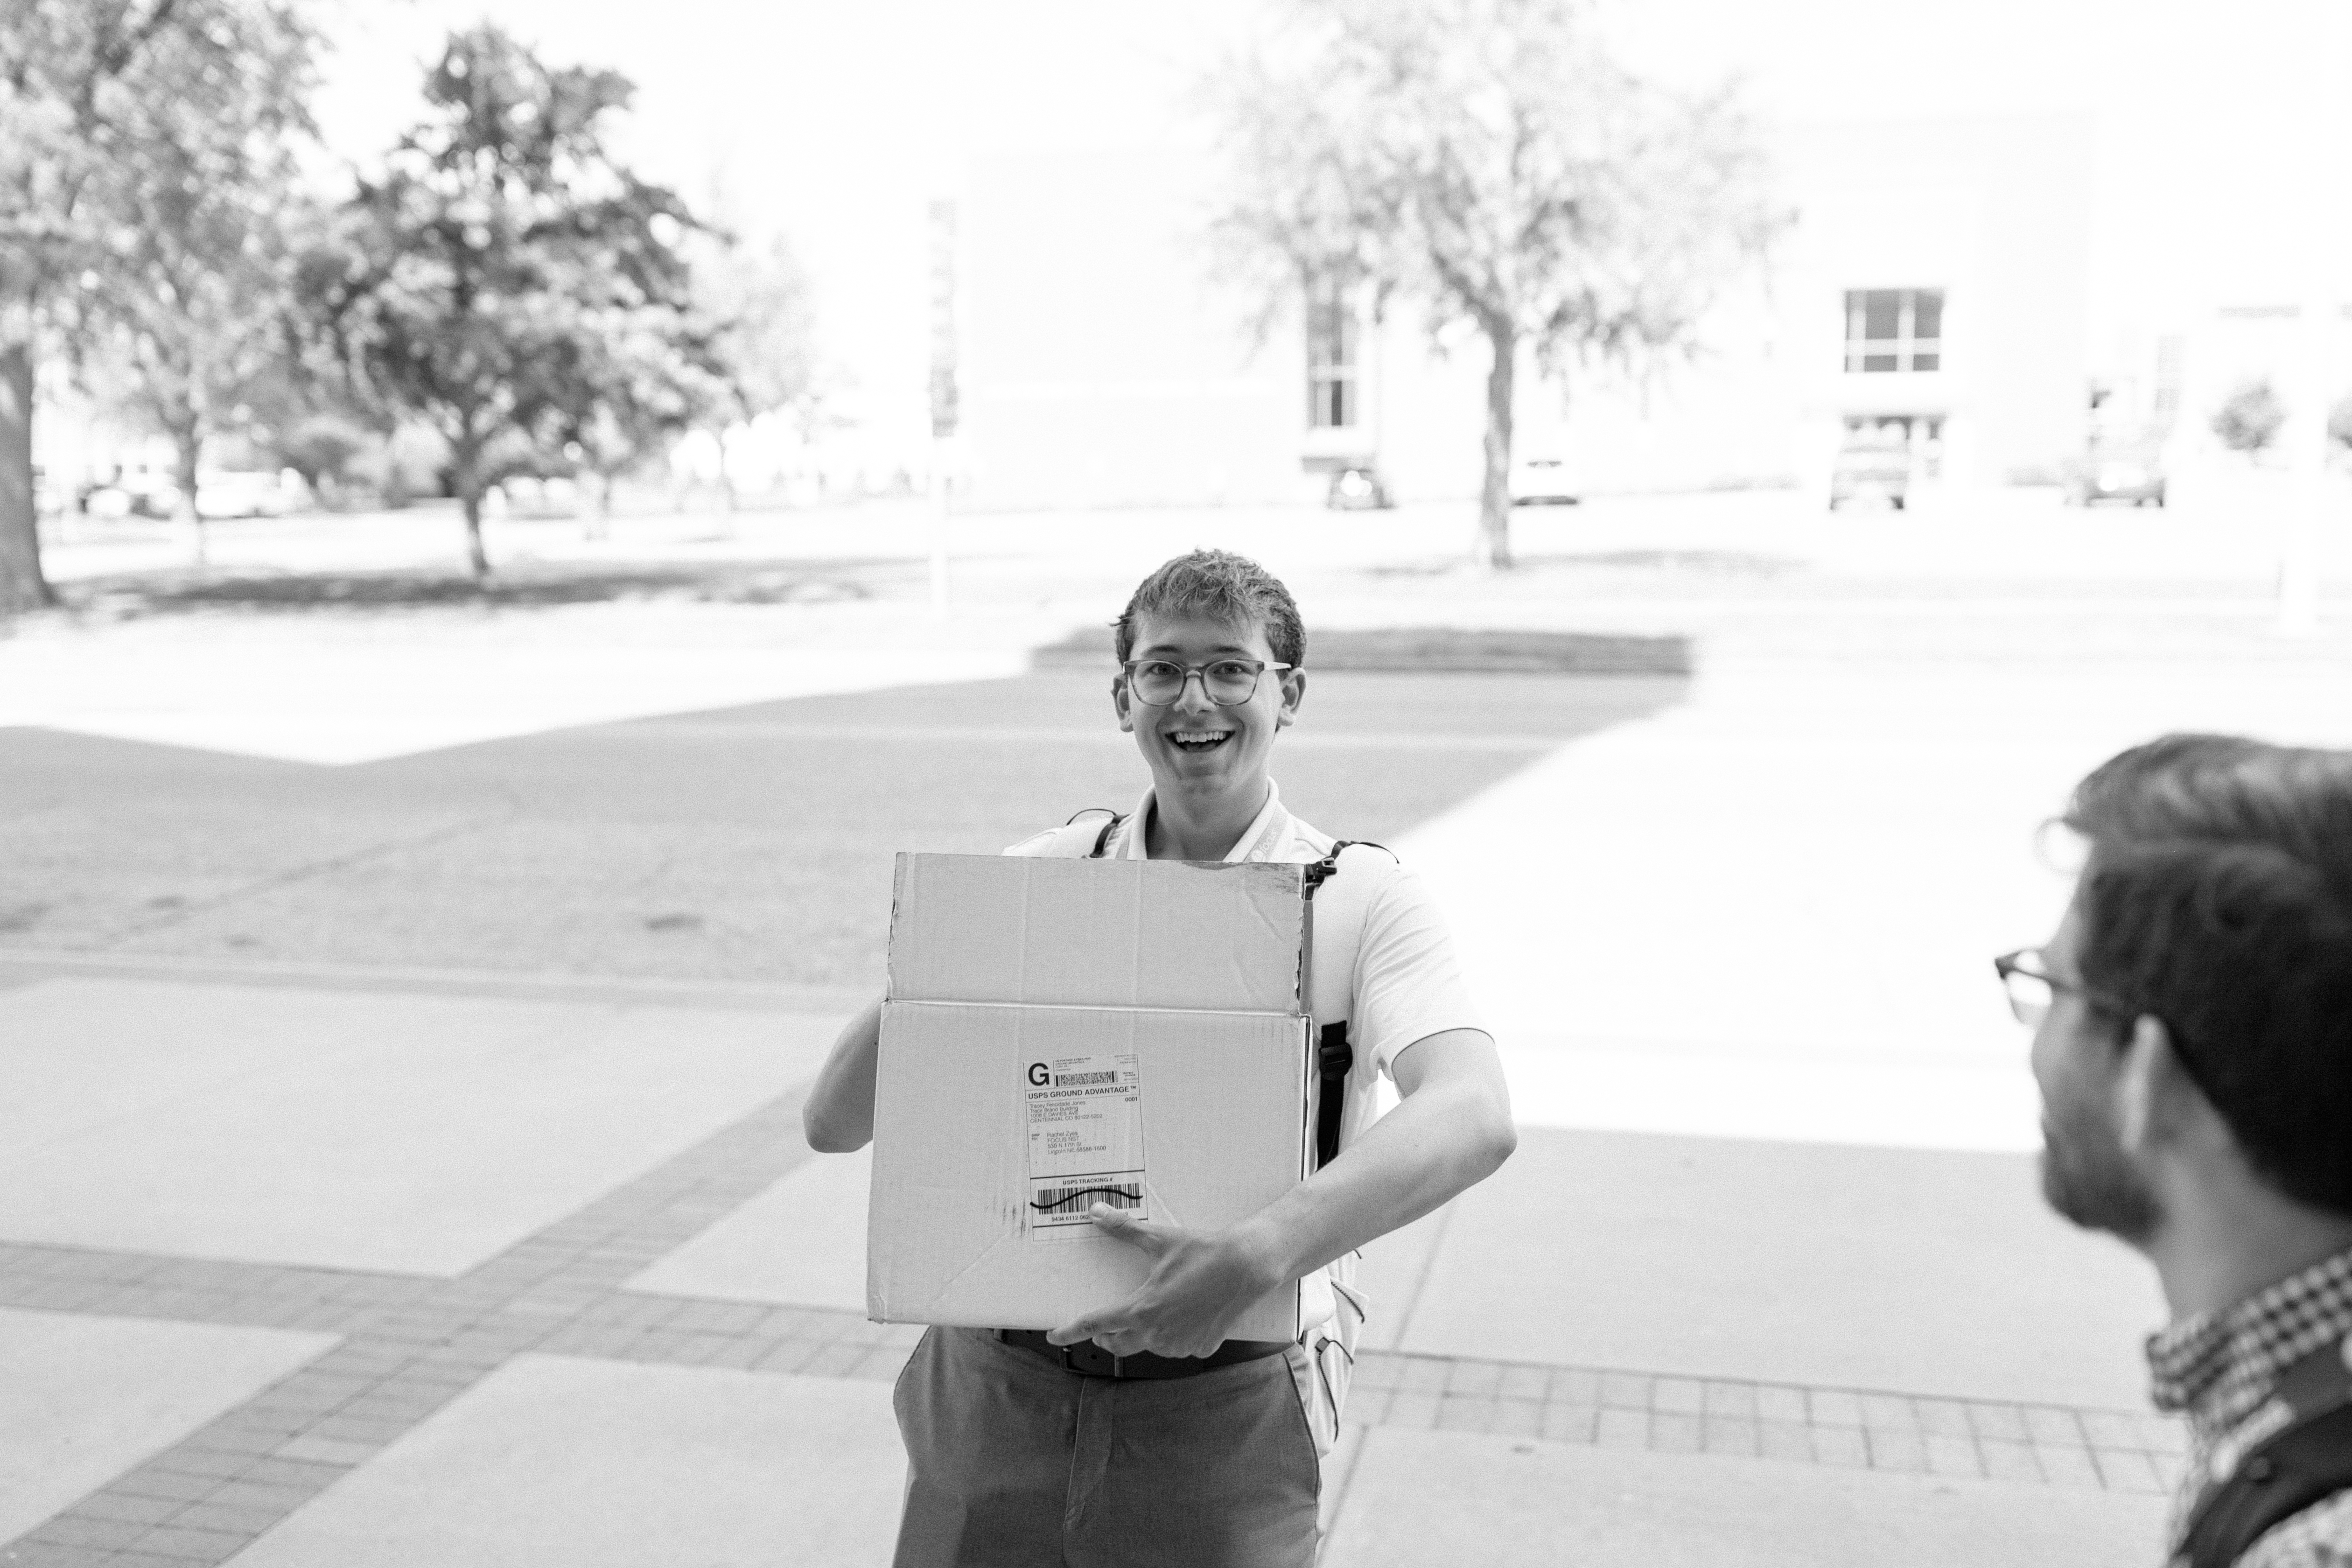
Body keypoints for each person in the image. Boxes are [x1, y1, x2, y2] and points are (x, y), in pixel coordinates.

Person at [803, 549, 1517, 1567]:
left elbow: (1475, 1112)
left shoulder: (1359, 898)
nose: (1197, 698)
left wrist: (1259, 1255)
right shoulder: (1047, 877)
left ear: (1290, 694)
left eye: (1232, 668)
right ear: (1122, 696)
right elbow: (832, 1124)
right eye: (1164, 669)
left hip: (1222, 1416)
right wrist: (949, 963)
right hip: (998, 1392)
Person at [2000, 734, 2352, 1568]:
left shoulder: (2311, 1548)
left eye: (2051, 991)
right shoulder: (2279, 1396)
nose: (2036, 1044)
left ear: (2145, 1077)